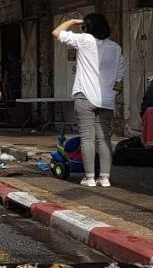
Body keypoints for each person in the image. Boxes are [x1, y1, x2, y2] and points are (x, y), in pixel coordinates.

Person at [53, 13, 124, 188]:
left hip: (84, 96)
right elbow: (119, 76)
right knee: (104, 138)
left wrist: (72, 21)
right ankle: (105, 178)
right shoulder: (115, 48)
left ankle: (90, 177)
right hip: (106, 98)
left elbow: (56, 32)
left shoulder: (84, 40)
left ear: (87, 28)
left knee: (87, 138)